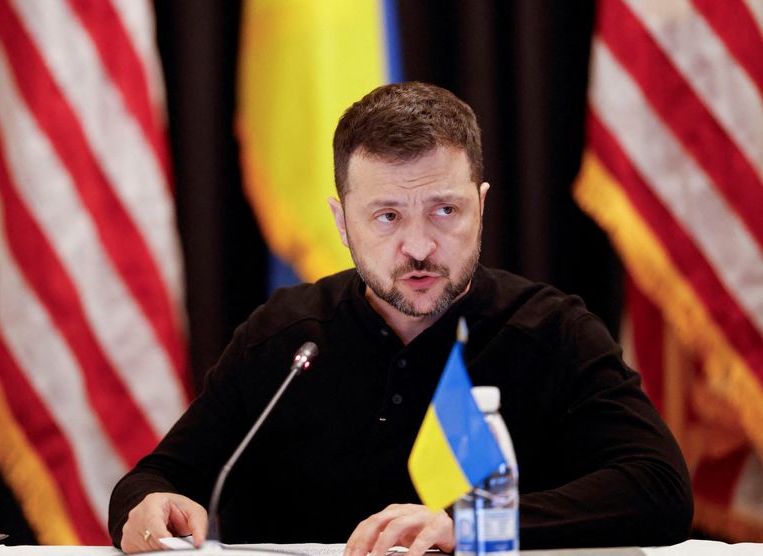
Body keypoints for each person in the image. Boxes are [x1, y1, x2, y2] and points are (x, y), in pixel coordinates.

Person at [109, 82, 693, 554]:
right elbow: (156, 479)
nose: (419, 246)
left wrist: (464, 525)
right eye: (386, 216)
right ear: (342, 223)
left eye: (445, 210)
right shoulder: (285, 337)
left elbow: (659, 487)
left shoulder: (551, 331)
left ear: (482, 207)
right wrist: (149, 504)